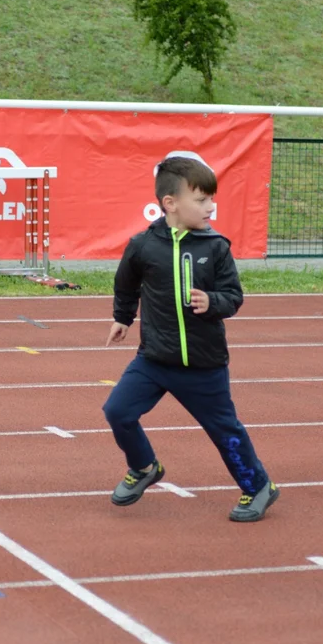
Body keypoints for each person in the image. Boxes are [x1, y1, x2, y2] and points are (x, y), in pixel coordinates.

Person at [102, 156, 278, 522]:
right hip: (153, 359)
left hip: (203, 364)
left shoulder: (215, 247)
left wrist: (212, 301)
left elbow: (234, 296)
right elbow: (126, 282)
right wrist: (122, 317)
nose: (211, 206)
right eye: (201, 200)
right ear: (170, 203)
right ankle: (144, 467)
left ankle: (258, 486)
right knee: (117, 411)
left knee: (225, 432)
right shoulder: (142, 245)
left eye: (211, 199)